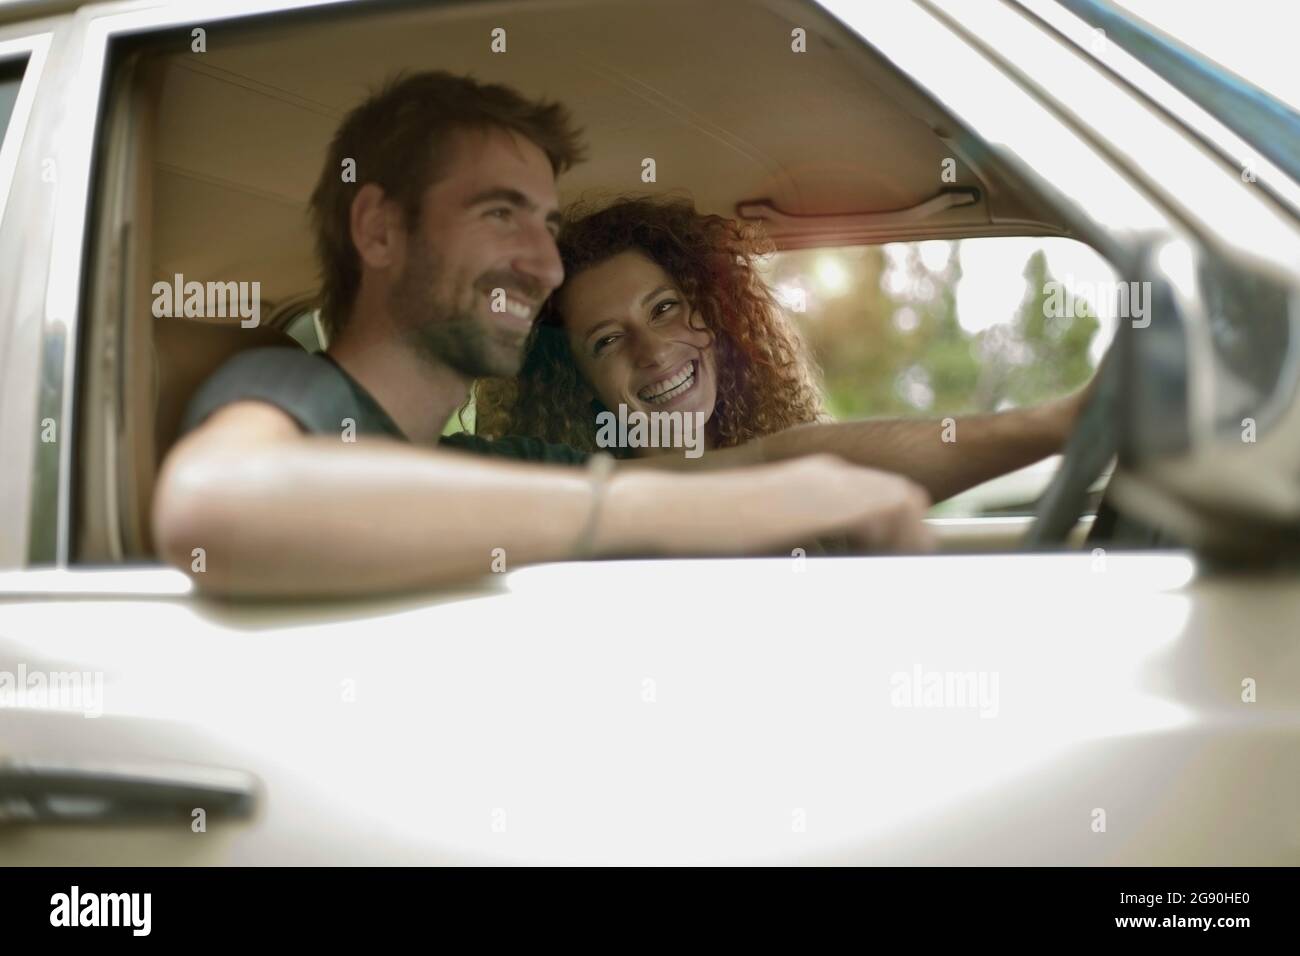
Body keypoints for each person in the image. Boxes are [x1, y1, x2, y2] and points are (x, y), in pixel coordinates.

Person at [152, 71, 936, 597]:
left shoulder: (460, 459)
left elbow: (758, 459)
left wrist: (1037, 427)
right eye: (501, 215)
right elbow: (210, 505)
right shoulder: (292, 393)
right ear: (381, 229)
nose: (546, 266)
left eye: (546, 225)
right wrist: (654, 516)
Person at [475, 195, 1086, 500]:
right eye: (606, 340)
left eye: (663, 309)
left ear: (713, 314)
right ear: (576, 383)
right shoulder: (591, 500)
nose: (652, 348)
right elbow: (798, 463)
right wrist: (1066, 421)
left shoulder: (762, 465)